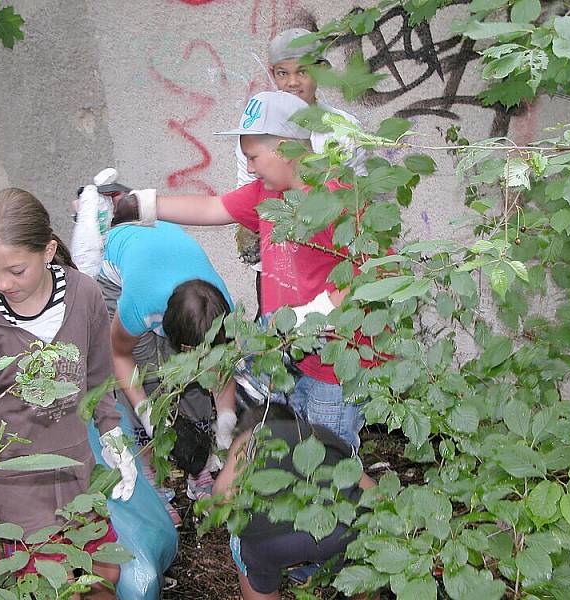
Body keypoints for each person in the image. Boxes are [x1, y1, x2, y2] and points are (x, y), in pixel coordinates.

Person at [111, 90, 369, 450]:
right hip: (289, 355)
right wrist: (148, 205)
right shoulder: (267, 194)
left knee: (330, 454)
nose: (248, 167)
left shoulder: (338, 200)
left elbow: (369, 277)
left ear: (284, 148)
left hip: (335, 366)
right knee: (291, 445)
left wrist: (310, 315)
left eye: (253, 156)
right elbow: (213, 208)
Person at [0, 188, 135, 598]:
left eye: (16, 270)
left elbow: (98, 377)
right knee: (52, 590)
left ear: (49, 250)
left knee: (104, 577)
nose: (3, 284)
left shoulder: (83, 295)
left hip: (79, 480)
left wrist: (111, 431)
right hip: (14, 495)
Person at [90, 192, 237, 520]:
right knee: (147, 372)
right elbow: (120, 355)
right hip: (121, 271)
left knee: (194, 378)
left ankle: (195, 463)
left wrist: (226, 419)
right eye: (187, 348)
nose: (193, 355)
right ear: (167, 329)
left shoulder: (221, 307)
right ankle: (152, 474)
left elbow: (221, 367)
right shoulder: (138, 303)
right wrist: (146, 411)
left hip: (164, 254)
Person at [234, 28, 369, 317]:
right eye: (282, 73)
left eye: (302, 72)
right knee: (277, 345)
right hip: (277, 267)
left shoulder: (344, 129)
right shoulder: (255, 131)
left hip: (333, 265)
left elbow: (360, 200)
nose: (292, 82)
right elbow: (248, 197)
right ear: (272, 73)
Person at [213, 403, 375, 600]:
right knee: (363, 552)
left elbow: (222, 497)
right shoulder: (319, 434)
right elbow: (373, 492)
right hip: (338, 529)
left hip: (271, 542)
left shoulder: (251, 437)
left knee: (238, 540)